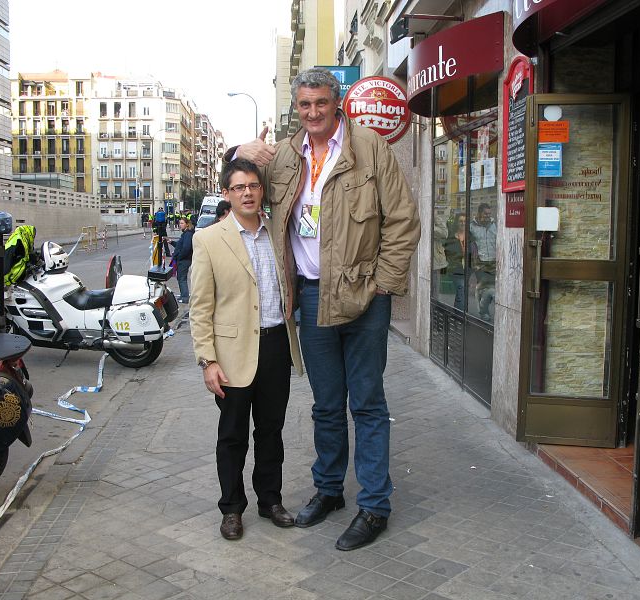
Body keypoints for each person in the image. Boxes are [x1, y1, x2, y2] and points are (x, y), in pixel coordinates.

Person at [233, 67, 420, 551]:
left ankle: (375, 505)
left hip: (364, 295)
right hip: (311, 296)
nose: (313, 112)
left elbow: (402, 220)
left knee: (368, 403)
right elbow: (240, 189)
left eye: (320, 102)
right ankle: (330, 490)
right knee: (325, 405)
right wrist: (242, 152)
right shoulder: (287, 157)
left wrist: (383, 286)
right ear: (296, 108)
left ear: (337, 102)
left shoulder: (369, 149)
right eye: (304, 105)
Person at [190, 159, 303, 541]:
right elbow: (200, 308)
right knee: (233, 435)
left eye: (253, 186)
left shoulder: (277, 233)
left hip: (276, 346)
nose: (248, 193)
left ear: (261, 190)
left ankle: (270, 500)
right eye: (239, 188)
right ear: (227, 193)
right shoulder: (208, 239)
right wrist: (208, 361)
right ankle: (232, 508)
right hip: (233, 354)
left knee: (271, 431)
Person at [469, 202, 496, 321]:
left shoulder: (495, 225)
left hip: (494, 262)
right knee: (483, 288)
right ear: (479, 213)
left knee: (491, 289)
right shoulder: (472, 226)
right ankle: (483, 313)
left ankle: (482, 310)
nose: (488, 216)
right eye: (485, 214)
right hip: (480, 263)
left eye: (489, 214)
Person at [445, 213, 467, 310]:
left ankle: (458, 311)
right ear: (457, 223)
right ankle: (459, 314)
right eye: (460, 221)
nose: (463, 223)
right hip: (455, 270)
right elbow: (448, 253)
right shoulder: (451, 238)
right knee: (461, 287)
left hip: (468, 268)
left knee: (461, 291)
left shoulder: (470, 236)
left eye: (465, 221)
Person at [169, 216, 194, 302]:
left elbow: (186, 248)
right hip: (183, 259)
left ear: (187, 225)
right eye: (179, 223)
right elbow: (180, 246)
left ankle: (185, 297)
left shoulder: (188, 234)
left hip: (184, 260)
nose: (180, 225)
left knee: (182, 278)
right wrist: (171, 242)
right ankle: (183, 295)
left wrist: (179, 256)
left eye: (182, 223)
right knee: (180, 277)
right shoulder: (185, 234)